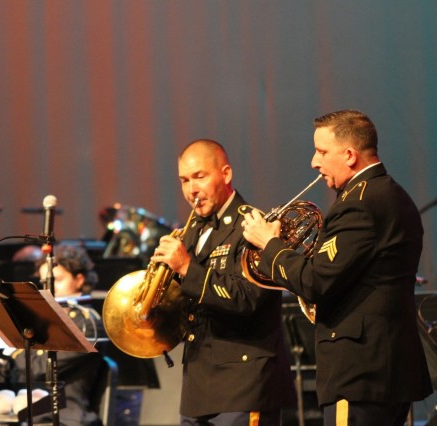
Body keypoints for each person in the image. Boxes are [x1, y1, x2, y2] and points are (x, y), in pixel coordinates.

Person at [242, 110, 433, 425]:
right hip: (382, 373)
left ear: (349, 155)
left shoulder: (360, 202)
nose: (314, 163)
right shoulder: (388, 193)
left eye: (321, 152)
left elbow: (316, 281)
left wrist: (270, 244)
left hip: (360, 374)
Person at [151, 139, 296, 426]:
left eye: (200, 176)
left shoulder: (255, 225)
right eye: (184, 180)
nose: (191, 189)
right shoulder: (189, 232)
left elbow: (247, 298)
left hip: (244, 385)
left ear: (226, 174)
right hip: (197, 387)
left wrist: (186, 268)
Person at [11, 244, 104, 426]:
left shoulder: (87, 323)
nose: (50, 289)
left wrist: (12, 344)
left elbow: (40, 370)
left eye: (58, 280)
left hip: (65, 416)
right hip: (33, 411)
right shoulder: (44, 319)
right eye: (45, 283)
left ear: (79, 279)